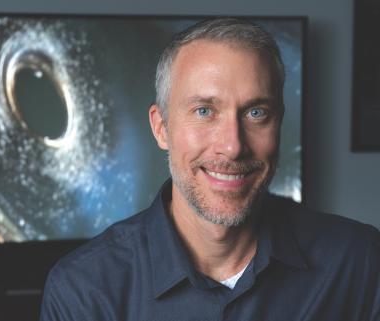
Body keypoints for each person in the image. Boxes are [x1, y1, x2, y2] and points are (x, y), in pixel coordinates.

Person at [40, 18, 380, 321]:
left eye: (256, 113)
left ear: (278, 123)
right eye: (204, 111)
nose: (232, 146)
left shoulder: (358, 263)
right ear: (161, 127)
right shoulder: (84, 290)